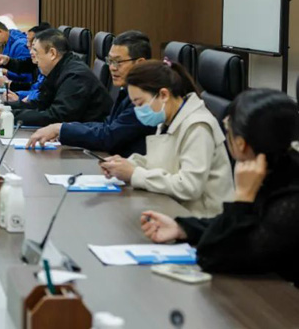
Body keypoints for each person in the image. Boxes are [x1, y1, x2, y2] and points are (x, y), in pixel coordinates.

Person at [141, 89, 299, 285]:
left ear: (241, 144)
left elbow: (213, 256)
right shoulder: (276, 166)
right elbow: (242, 227)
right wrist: (183, 228)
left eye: (227, 126)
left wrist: (242, 197)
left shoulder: (289, 201)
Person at [100, 59, 233, 217]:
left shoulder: (198, 126)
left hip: (201, 219)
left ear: (163, 95)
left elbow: (189, 187)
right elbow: (161, 162)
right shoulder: (168, 119)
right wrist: (126, 164)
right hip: (174, 209)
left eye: (140, 103)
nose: (137, 110)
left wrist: (134, 174)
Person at [27, 30, 155, 156]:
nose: (112, 67)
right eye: (110, 61)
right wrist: (63, 129)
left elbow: (110, 136)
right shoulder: (127, 91)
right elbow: (107, 125)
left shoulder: (145, 99)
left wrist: (61, 129)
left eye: (118, 62)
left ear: (140, 63)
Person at [0, 28, 112, 126]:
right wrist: (4, 108)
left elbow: (56, 117)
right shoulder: (58, 69)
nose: (32, 56)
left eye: (35, 51)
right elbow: (40, 104)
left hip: (90, 145)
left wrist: (10, 115)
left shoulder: (75, 76)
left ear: (52, 53)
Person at [0, 23, 52, 101]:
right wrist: (7, 61)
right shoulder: (38, 62)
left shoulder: (55, 71)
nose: (27, 45)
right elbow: (25, 65)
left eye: (32, 43)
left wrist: (20, 98)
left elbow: (40, 93)